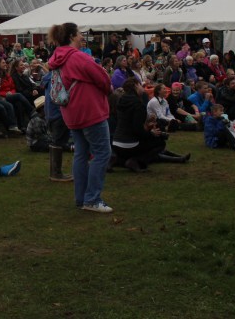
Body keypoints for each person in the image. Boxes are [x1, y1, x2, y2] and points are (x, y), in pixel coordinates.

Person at [47, 22, 113, 213]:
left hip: (71, 113)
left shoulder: (57, 57)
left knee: (81, 153)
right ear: (71, 36)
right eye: (79, 33)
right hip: (89, 111)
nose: (82, 36)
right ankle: (92, 199)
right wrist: (108, 90)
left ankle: (81, 198)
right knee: (102, 153)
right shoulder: (78, 57)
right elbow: (102, 78)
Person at [112, 79, 169, 172]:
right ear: (135, 85)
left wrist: (146, 123)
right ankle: (135, 161)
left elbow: (128, 122)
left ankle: (116, 160)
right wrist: (151, 133)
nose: (143, 87)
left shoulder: (121, 100)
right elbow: (137, 130)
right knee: (160, 142)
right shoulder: (138, 104)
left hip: (116, 143)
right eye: (140, 85)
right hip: (129, 144)